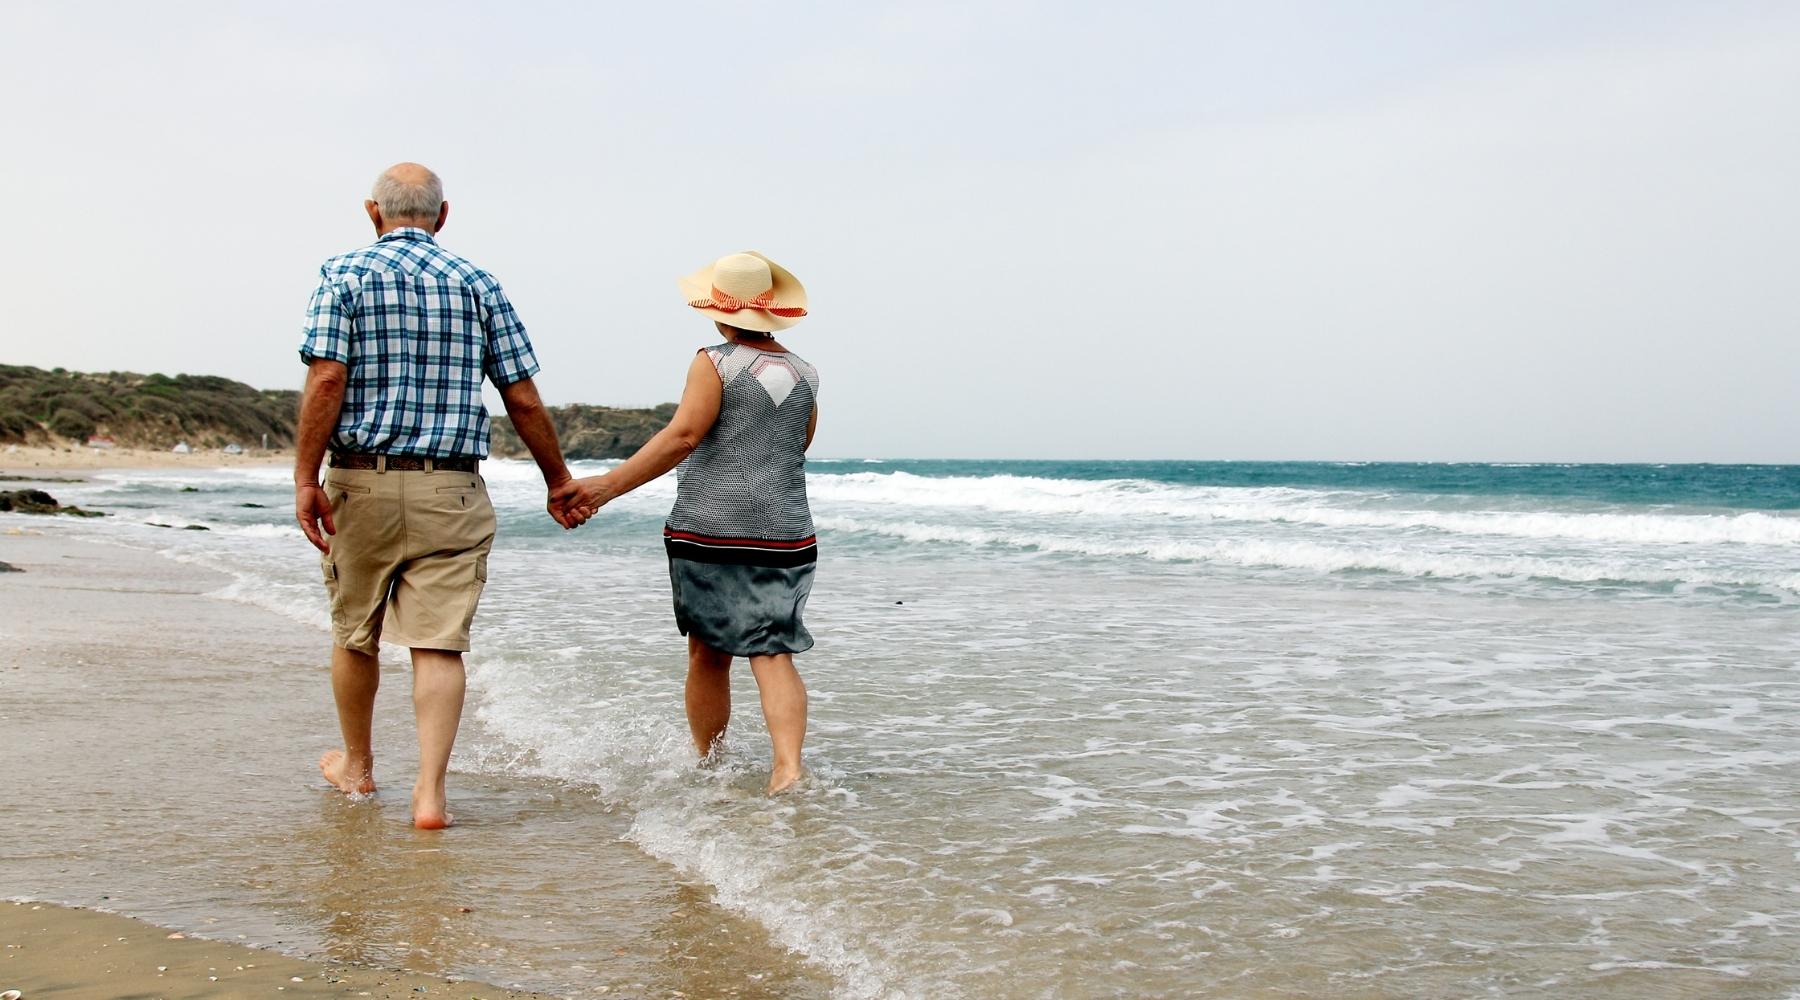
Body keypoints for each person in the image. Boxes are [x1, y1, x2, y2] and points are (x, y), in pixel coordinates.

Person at [293, 162, 584, 829]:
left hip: (360, 480)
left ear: (374, 212)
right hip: (451, 487)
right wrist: (558, 480)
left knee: (355, 632)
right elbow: (521, 395)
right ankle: (430, 794)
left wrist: (306, 477)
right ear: (442, 216)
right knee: (439, 644)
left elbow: (327, 381)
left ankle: (359, 769)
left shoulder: (344, 275)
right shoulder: (478, 283)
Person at [567, 251, 820, 794]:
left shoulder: (714, 361)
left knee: (709, 651)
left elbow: (683, 437)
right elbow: (795, 446)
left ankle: (709, 762)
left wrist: (604, 488)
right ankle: (788, 768)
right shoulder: (806, 373)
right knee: (773, 648)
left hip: (712, 529)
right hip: (788, 533)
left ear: (719, 312)